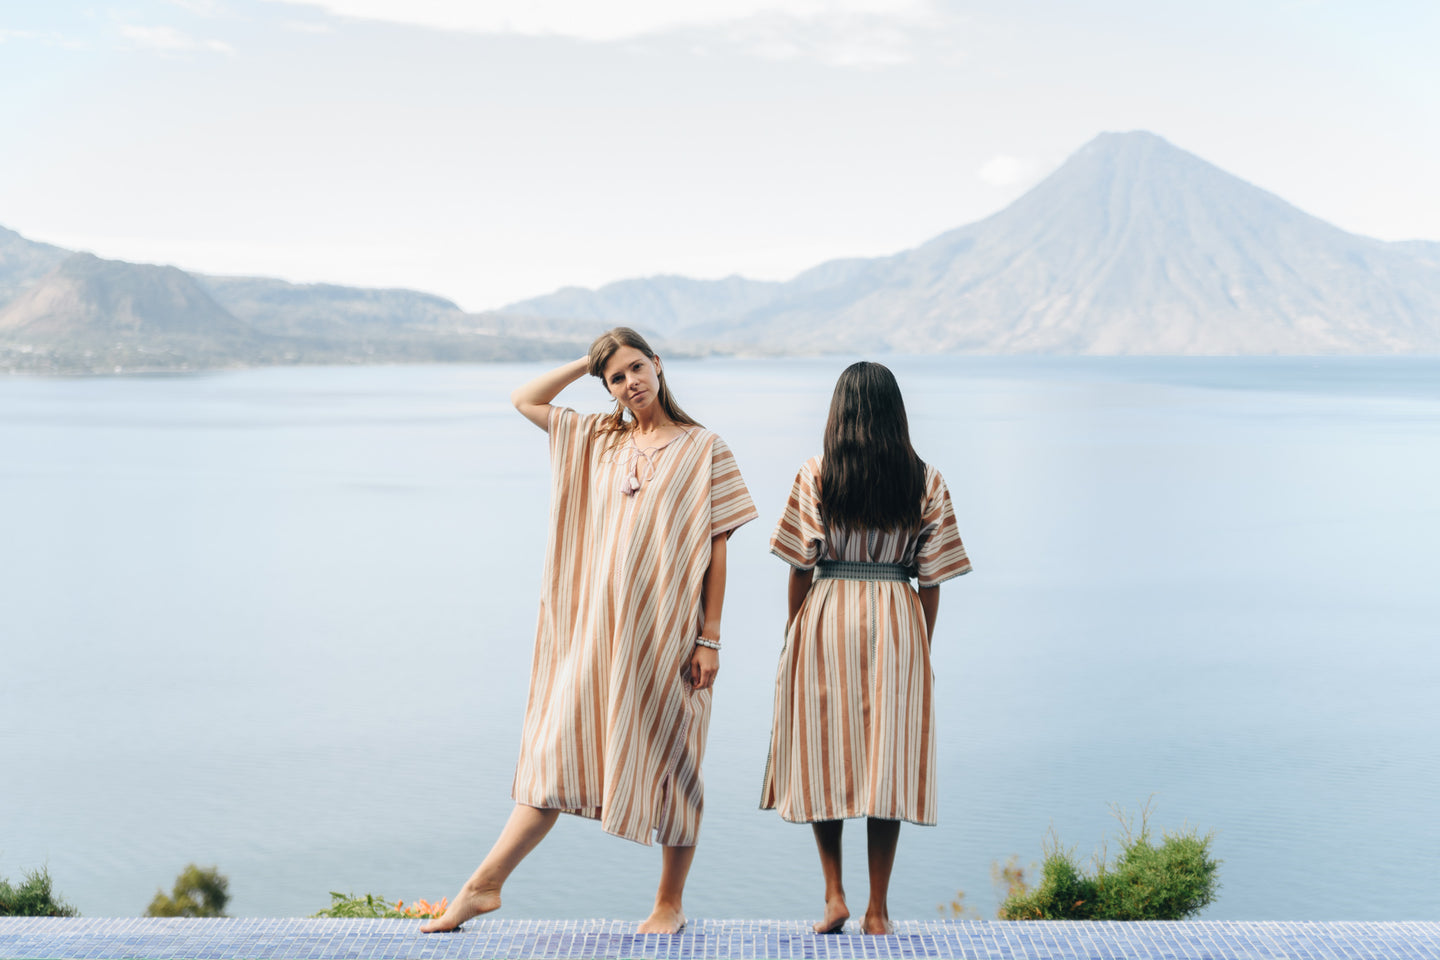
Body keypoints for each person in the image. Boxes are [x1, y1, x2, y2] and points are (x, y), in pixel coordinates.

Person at [422, 327, 757, 935]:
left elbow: (718, 547)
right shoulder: (597, 436)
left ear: (657, 364)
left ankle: (668, 904)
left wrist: (710, 637)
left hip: (667, 638)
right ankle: (484, 885)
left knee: (677, 762)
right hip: (595, 635)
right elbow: (525, 399)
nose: (630, 384)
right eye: (615, 378)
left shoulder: (706, 448)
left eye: (635, 368)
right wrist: (587, 361)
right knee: (554, 754)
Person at [759, 361, 971, 935]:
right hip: (897, 615)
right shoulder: (927, 480)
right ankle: (878, 909)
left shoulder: (817, 473)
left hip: (828, 612)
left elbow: (800, 565)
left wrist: (793, 632)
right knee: (887, 759)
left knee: (825, 750)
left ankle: (834, 894)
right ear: (896, 412)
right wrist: (918, 645)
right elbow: (932, 579)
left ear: (839, 411)